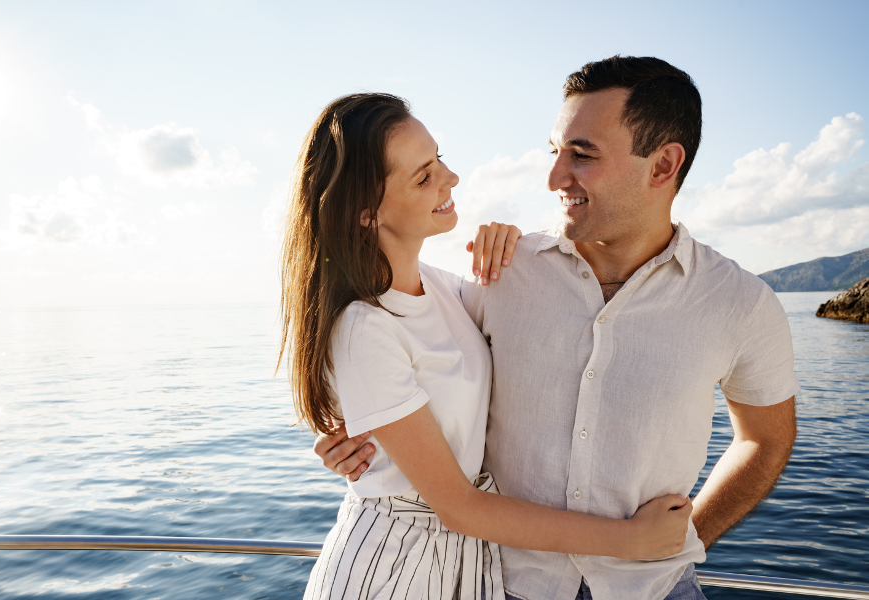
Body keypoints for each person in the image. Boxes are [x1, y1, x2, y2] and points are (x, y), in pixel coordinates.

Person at [316, 57, 800, 600]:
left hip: (654, 589)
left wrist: (684, 537)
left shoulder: (741, 303)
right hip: (498, 586)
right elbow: (390, 344)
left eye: (582, 155)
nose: (553, 178)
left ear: (663, 165)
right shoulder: (499, 273)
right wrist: (358, 433)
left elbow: (764, 439)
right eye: (555, 152)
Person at [279, 92, 693, 600]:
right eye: (423, 175)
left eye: (440, 160)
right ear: (365, 213)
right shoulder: (365, 328)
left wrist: (513, 244)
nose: (449, 179)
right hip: (395, 568)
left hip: (465, 561)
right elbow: (458, 506)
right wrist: (631, 541)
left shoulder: (440, 287)